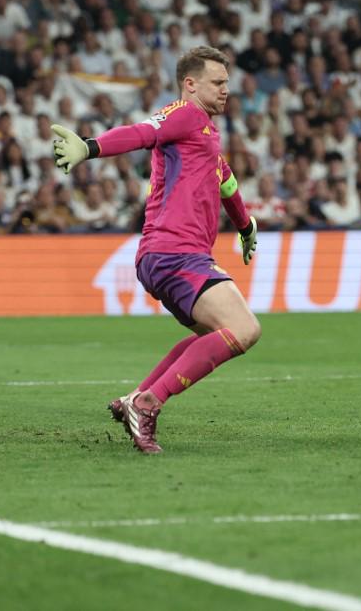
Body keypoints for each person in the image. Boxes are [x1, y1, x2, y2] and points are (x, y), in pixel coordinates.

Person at [51, 46, 260, 454]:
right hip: (173, 252)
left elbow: (227, 184)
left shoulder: (206, 136)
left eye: (227, 84)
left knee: (213, 332)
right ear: (190, 84)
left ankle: (137, 395)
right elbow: (141, 133)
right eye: (217, 83)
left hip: (176, 255)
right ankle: (148, 403)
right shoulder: (182, 114)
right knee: (245, 329)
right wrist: (89, 148)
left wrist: (246, 226)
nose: (225, 91)